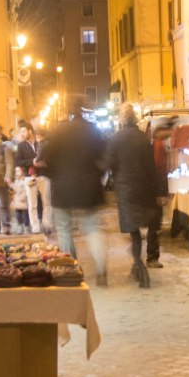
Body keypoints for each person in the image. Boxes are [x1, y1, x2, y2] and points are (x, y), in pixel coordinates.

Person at [42, 102, 108, 286]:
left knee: (64, 230)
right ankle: (101, 269)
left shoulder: (59, 131)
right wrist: (97, 176)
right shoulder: (93, 130)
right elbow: (104, 157)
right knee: (92, 229)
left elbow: (46, 158)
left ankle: (71, 270)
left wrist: (52, 174)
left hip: (63, 187)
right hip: (89, 187)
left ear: (68, 113)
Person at [107, 106, 163, 287]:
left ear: (122, 120)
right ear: (135, 119)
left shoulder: (114, 140)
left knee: (134, 232)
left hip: (125, 191)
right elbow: (151, 167)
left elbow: (109, 166)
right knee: (144, 225)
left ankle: (139, 266)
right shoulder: (143, 139)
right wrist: (158, 191)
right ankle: (139, 264)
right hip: (144, 189)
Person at [146, 117, 177, 268]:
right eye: (169, 130)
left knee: (154, 224)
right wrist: (161, 192)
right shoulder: (158, 146)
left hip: (153, 190)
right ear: (161, 131)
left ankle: (151, 256)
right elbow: (159, 169)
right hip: (155, 191)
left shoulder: (156, 144)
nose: (171, 133)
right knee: (154, 224)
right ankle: (152, 257)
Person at [14, 123, 44, 233]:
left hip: (43, 175)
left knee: (46, 203)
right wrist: (32, 162)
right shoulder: (21, 146)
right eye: (21, 131)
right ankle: (35, 228)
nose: (22, 133)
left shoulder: (40, 142)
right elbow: (18, 161)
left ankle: (46, 225)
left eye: (24, 131)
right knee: (32, 204)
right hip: (29, 176)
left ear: (30, 131)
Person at [11, 166, 32, 232]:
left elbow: (26, 190)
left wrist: (22, 197)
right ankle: (20, 226)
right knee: (18, 215)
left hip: (24, 201)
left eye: (19, 171)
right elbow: (15, 189)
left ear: (22, 172)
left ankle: (26, 227)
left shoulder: (24, 180)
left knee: (25, 215)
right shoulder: (16, 180)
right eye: (16, 171)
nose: (17, 173)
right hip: (17, 202)